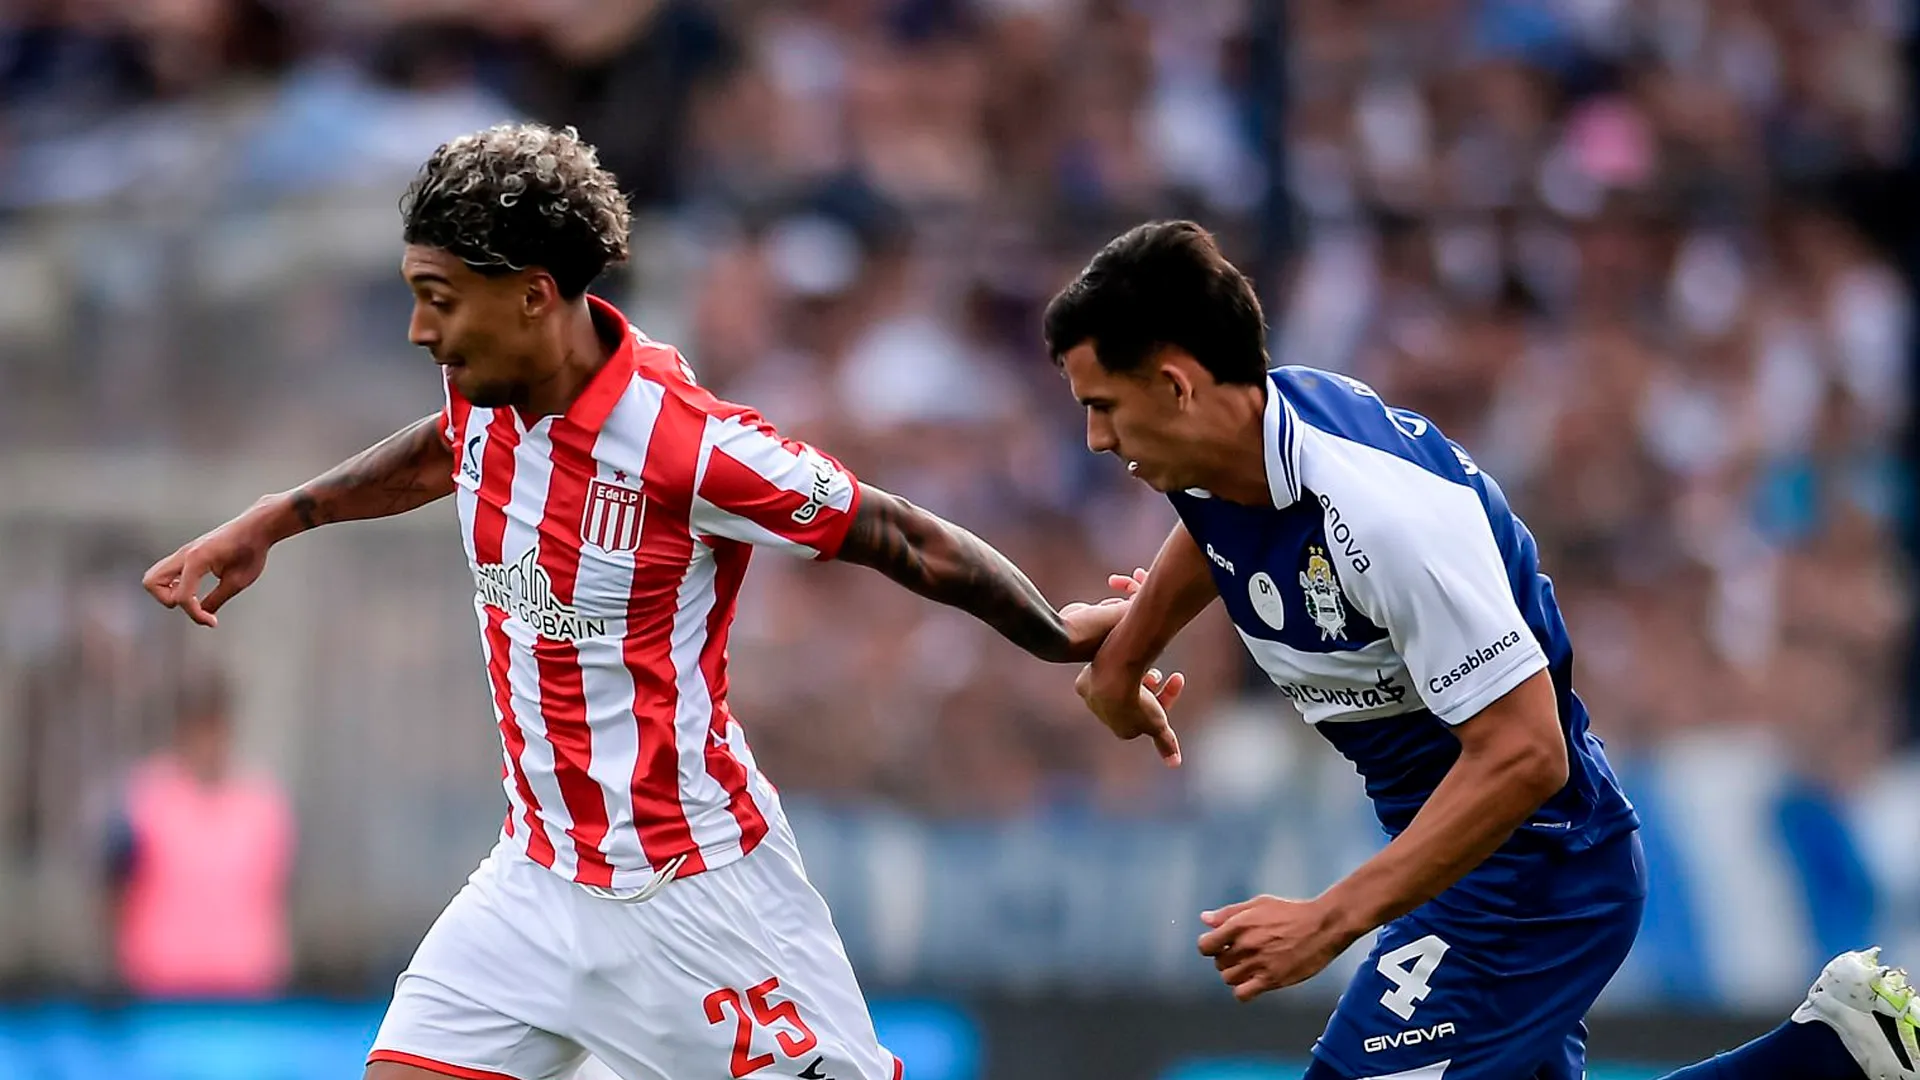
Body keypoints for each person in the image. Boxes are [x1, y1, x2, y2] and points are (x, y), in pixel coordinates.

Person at [142, 123, 1173, 1080]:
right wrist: (281, 516)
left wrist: (1051, 633)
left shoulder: (688, 445)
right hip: (535, 882)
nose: (421, 331)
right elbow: (442, 451)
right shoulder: (482, 386)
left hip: (696, 894)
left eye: (438, 297)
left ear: (535, 296)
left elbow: (897, 531)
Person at [1048, 220, 1919, 1080]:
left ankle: (1832, 1057)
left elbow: (1527, 755)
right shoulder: (1244, 441)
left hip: (1531, 870)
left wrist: (1330, 918)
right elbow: (1225, 518)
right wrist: (1130, 651)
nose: (1095, 439)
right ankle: (1833, 1056)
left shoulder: (1386, 517)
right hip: (1468, 862)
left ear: (1174, 385)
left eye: (1102, 407)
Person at [104, 670, 295, 999]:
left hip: (246, 990)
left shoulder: (263, 804)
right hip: (160, 990)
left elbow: (279, 890)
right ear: (182, 732)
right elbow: (116, 885)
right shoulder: (146, 800)